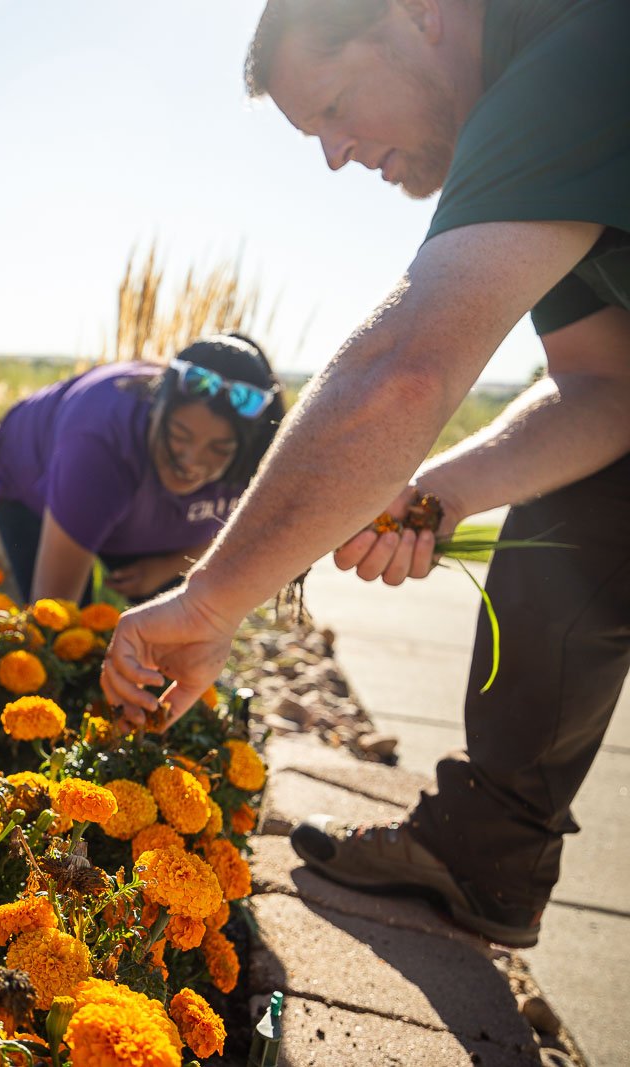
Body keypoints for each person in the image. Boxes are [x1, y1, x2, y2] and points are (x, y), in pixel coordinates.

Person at [100, 0, 630, 949]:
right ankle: (487, 852)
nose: (337, 156)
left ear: (421, 14)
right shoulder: (549, 161)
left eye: (338, 106)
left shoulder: (577, 53)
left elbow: (402, 370)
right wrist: (439, 490)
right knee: (578, 510)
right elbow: (607, 386)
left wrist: (212, 603)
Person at [0, 335, 285, 605]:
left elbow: (245, 532)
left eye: (219, 449)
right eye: (179, 436)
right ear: (154, 406)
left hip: (135, 506)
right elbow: (53, 604)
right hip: (30, 470)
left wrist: (166, 568)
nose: (192, 461)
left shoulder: (259, 457)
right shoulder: (98, 446)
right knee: (67, 637)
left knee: (175, 633)